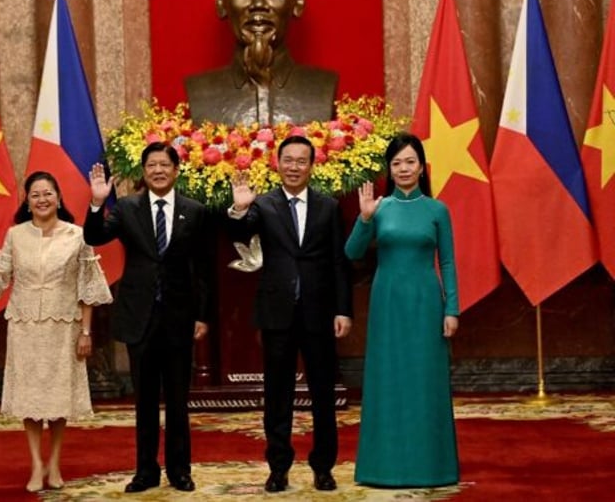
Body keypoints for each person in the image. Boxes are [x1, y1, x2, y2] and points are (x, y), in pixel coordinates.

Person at [0, 171, 112, 493]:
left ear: (59, 199)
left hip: (65, 326)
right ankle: (36, 463)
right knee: (30, 399)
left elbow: (87, 287)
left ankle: (55, 462)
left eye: (48, 193)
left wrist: (86, 332)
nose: (42, 199)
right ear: (28, 202)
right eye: (35, 195)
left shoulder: (78, 235)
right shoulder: (15, 235)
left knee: (59, 399)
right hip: (25, 326)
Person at [84, 142, 213, 493]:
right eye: (151, 165)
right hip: (139, 315)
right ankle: (145, 471)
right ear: (143, 172)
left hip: (179, 316)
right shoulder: (126, 208)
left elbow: (203, 269)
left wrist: (202, 315)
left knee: (177, 399)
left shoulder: (195, 211)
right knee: (144, 400)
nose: (158, 170)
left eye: (164, 165)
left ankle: (179, 470)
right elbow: (94, 236)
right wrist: (97, 203)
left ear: (176, 170)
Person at [227, 135, 353, 492]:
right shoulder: (262, 205)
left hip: (320, 312)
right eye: (288, 160)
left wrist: (343, 309)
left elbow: (338, 262)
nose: (294, 166)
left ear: (312, 166)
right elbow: (238, 232)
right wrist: (239, 210)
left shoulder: (328, 206)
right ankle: (278, 467)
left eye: (301, 161)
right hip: (277, 313)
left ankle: (323, 467)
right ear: (277, 163)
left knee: (323, 393)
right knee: (277, 394)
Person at [344, 132, 460, 487]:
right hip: (387, 302)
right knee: (388, 379)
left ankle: (433, 467)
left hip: (426, 301)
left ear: (421, 167)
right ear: (389, 170)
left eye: (410, 162)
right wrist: (364, 220)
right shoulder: (380, 209)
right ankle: (383, 467)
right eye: (397, 163)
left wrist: (452, 308)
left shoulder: (437, 210)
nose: (404, 168)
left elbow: (450, 263)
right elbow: (352, 253)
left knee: (426, 379)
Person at [184, 0, 338, 126]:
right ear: (221, 0)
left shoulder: (322, 89)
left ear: (297, 0)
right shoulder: (200, 93)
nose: (258, 3)